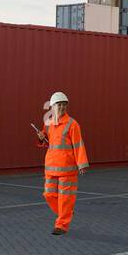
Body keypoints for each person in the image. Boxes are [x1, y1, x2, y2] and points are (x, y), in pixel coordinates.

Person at [34, 91, 89, 235]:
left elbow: (78, 144)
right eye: (59, 105)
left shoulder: (72, 124)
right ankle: (66, 213)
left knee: (65, 198)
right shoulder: (48, 124)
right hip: (51, 167)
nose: (62, 107)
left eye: (65, 105)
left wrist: (82, 164)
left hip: (68, 169)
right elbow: (46, 141)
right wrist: (41, 137)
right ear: (52, 107)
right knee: (49, 195)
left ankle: (62, 225)